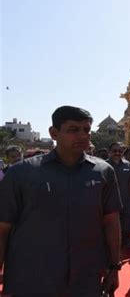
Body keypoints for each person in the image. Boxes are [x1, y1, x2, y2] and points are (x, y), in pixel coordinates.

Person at [0, 106, 122, 296]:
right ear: (54, 133)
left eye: (86, 130)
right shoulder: (21, 173)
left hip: (85, 278)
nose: (83, 136)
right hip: (31, 279)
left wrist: (114, 267)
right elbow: (3, 228)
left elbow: (111, 222)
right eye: (74, 130)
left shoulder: (104, 172)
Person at [107, 142, 130, 248]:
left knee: (127, 221)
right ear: (109, 152)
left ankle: (126, 239)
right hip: (109, 200)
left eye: (120, 151)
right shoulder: (104, 165)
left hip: (125, 199)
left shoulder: (127, 165)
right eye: (114, 151)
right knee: (111, 224)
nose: (117, 153)